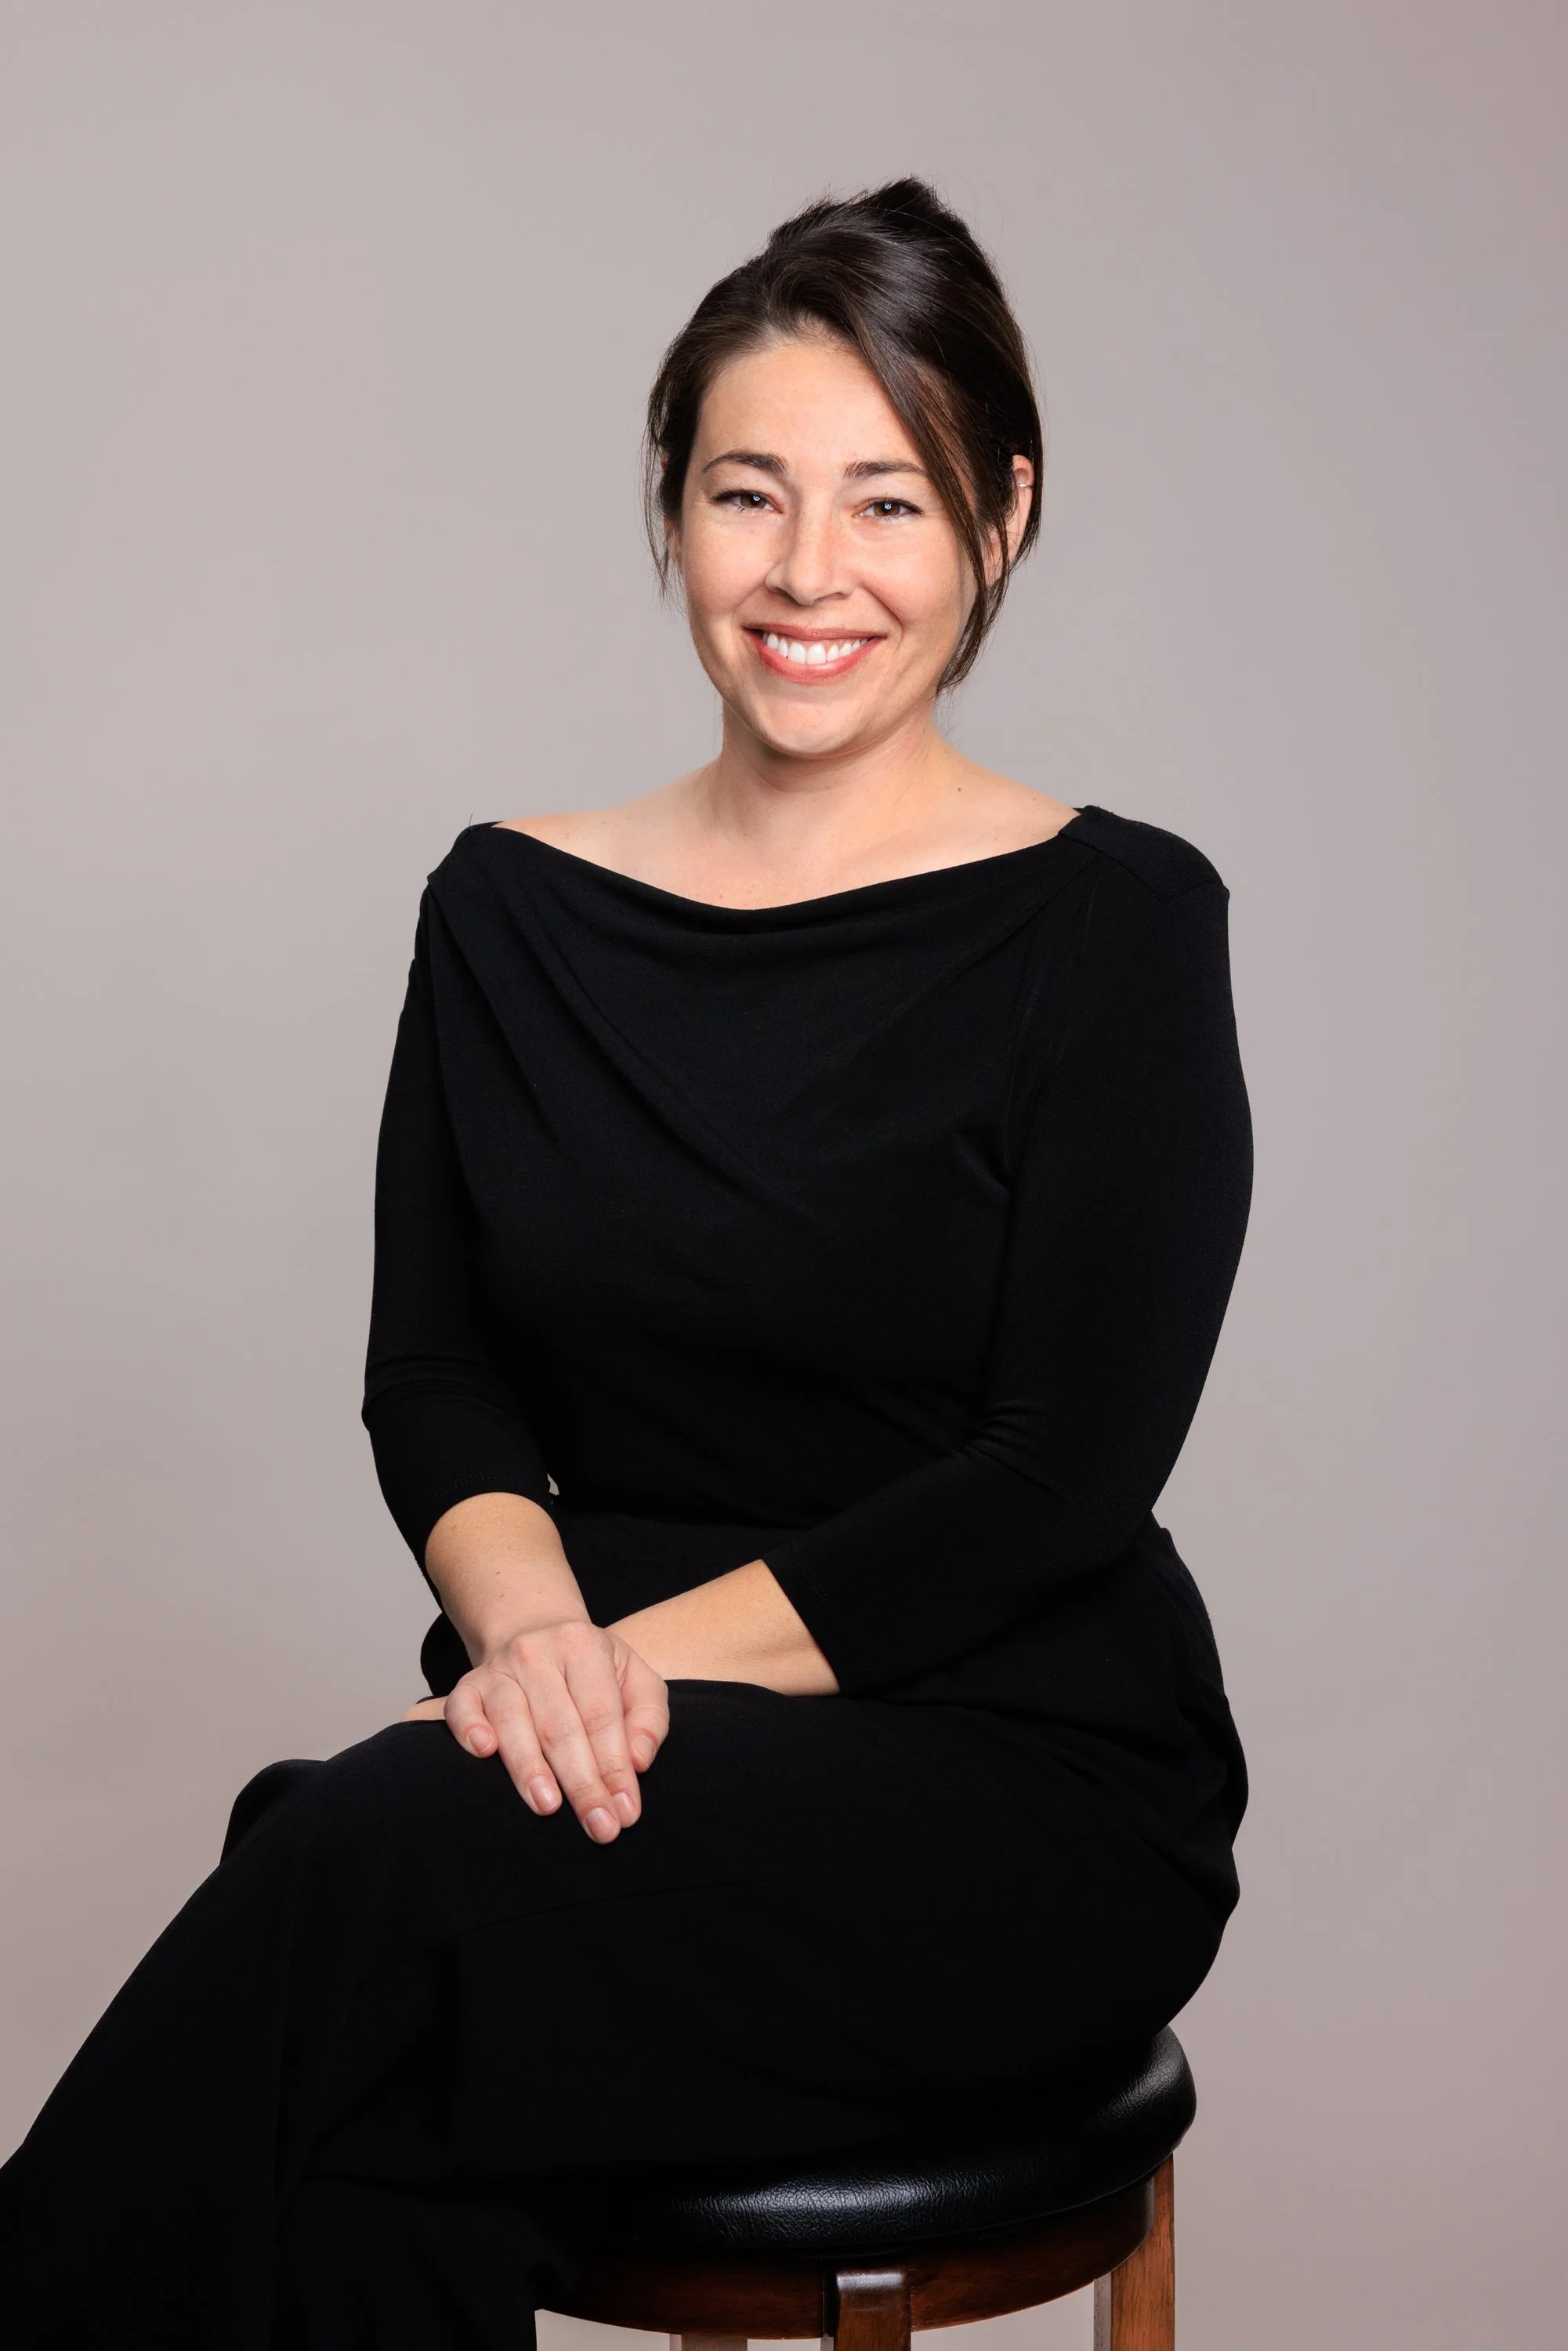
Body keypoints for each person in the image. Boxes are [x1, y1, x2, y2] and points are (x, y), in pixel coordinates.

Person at [0, 178, 1252, 2349]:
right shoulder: (511, 908)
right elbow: (440, 1377)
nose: (810, 570)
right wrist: (536, 1644)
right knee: (378, 2120)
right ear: (669, 513)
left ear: (1003, 518)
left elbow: (1061, 1472)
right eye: (749, 492)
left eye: (889, 499)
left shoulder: (1117, 923)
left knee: (353, 1851)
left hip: (1010, 1779)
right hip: (598, 1751)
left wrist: (600, 1679)